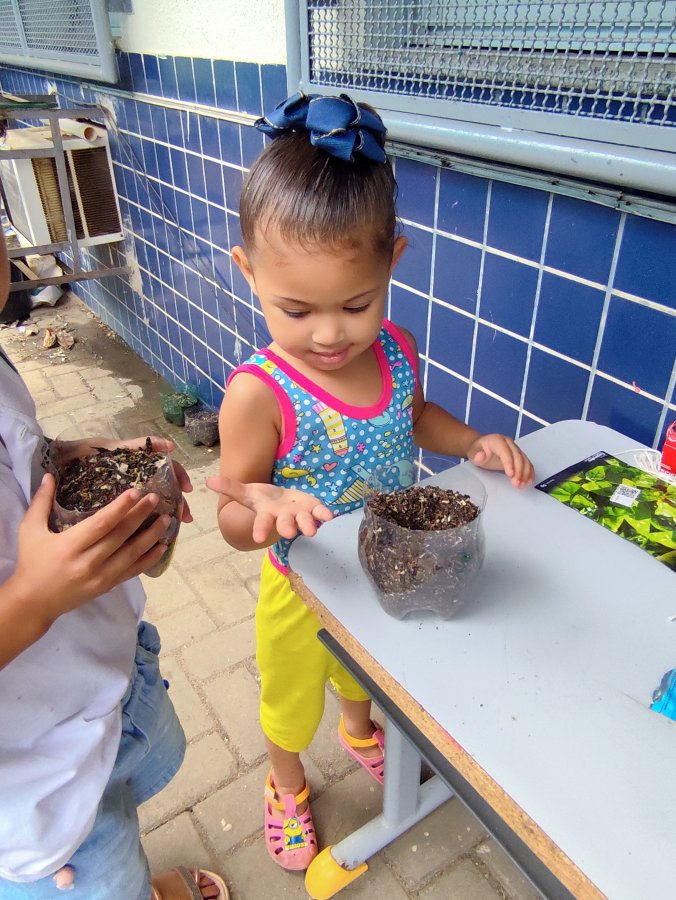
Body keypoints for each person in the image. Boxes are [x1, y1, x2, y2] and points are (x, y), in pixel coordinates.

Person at [207, 91, 534, 873]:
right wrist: (263, 512)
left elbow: (415, 417)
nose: (330, 333)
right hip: (303, 583)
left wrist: (472, 441)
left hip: (389, 566)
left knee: (366, 674)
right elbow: (232, 509)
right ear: (248, 273)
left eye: (356, 304)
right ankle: (286, 784)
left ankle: (359, 732)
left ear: (393, 261)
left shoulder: (396, 348)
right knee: (292, 697)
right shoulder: (258, 394)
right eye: (295, 310)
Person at [0, 230, 228, 899]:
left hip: (97, 682)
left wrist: (58, 457)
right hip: (37, 789)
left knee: (122, 804)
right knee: (103, 862)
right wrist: (32, 599)